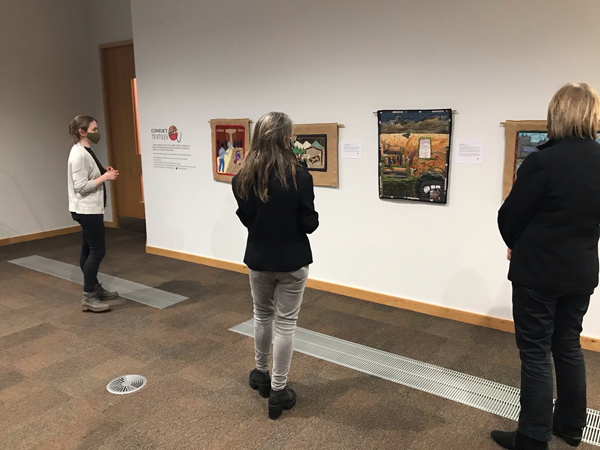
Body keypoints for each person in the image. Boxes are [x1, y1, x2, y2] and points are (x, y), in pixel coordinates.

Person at [494, 83, 600, 450]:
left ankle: (532, 437)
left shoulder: (542, 160)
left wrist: (517, 243)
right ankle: (572, 427)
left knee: (536, 352)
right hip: (582, 271)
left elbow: (510, 217)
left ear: (557, 114)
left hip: (537, 273)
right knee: (568, 345)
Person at [232, 112, 319, 420]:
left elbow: (246, 219)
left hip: (258, 260)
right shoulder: (300, 176)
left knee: (261, 316)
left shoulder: (242, 177)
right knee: (285, 325)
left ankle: (260, 374)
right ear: (285, 139)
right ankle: (279, 391)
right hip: (292, 262)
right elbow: (310, 224)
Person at [67, 115, 120, 313]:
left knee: (87, 250)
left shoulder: (86, 150)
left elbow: (89, 174)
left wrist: (101, 171)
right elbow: (80, 186)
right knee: (97, 251)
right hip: (86, 210)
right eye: (94, 129)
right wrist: (105, 177)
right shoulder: (78, 155)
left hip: (89, 209)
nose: (97, 133)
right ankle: (88, 296)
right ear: (82, 131)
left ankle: (94, 287)